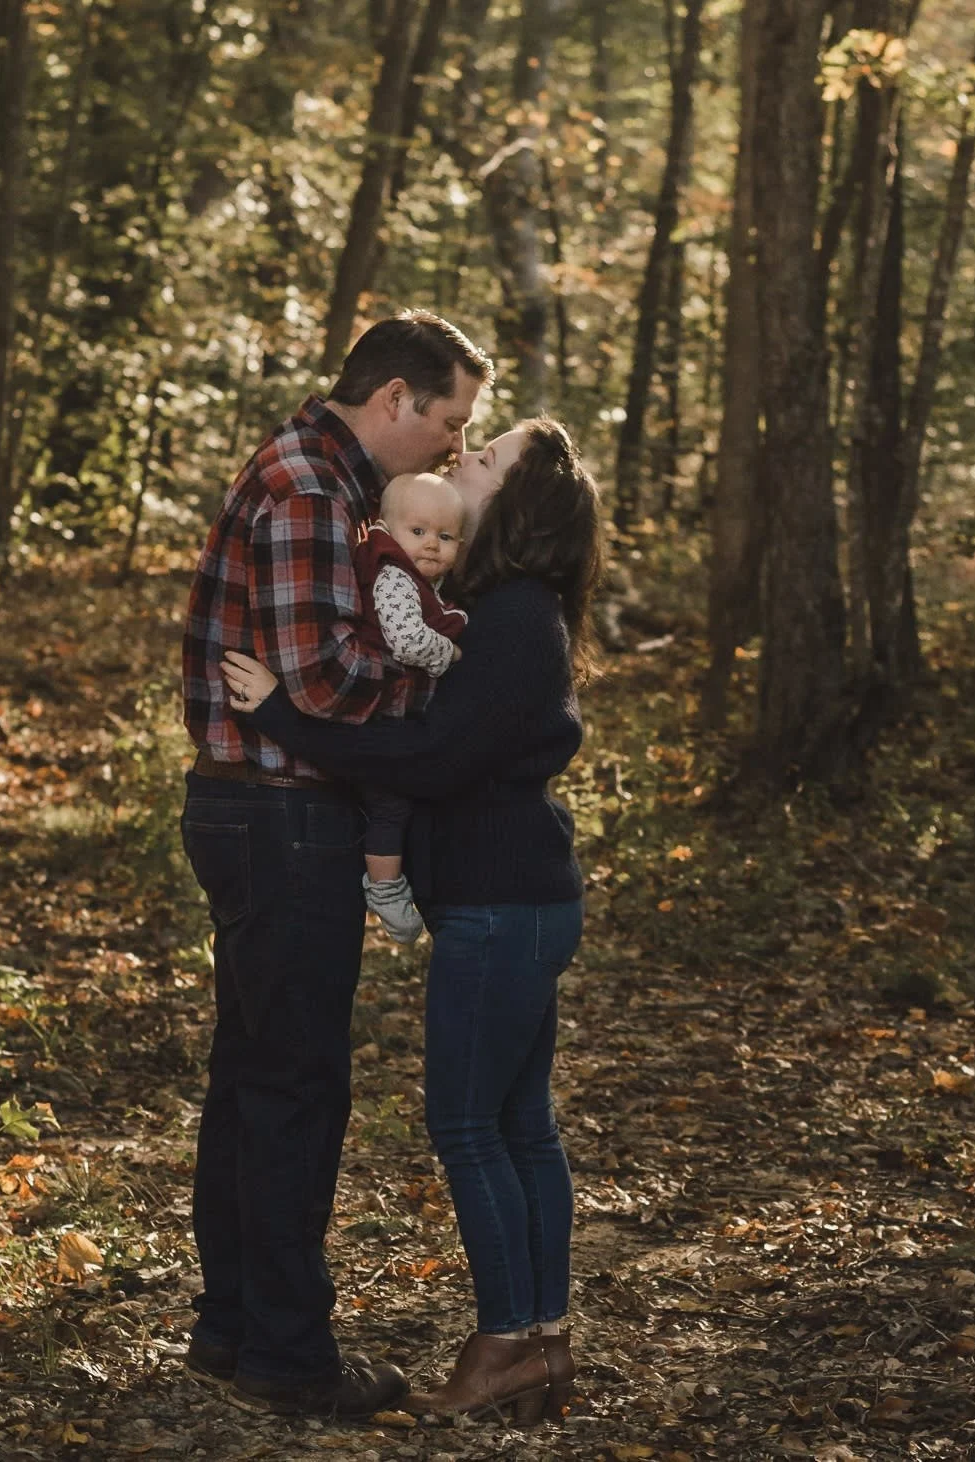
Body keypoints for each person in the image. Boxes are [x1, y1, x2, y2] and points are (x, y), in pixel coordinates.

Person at [221, 416, 603, 1425]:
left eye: (487, 458)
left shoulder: (513, 616)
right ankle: (543, 1339)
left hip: (502, 905)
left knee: (470, 1127)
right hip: (517, 898)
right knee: (520, 1125)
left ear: (517, 502)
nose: (463, 459)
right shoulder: (496, 605)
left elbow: (431, 760)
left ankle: (506, 1344)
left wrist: (281, 715)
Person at [179, 310, 494, 1418]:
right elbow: (320, 678)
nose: (457, 445)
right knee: (294, 1085)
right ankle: (288, 1357)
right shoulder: (313, 489)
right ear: (396, 399)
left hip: (260, 809)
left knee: (255, 1074)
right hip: (281, 814)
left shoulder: (328, 482)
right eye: (451, 420)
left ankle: (233, 1330)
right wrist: (445, 682)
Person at [353, 471, 468, 944]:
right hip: (378, 717)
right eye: (418, 531)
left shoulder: (420, 581)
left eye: (445, 536)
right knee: (390, 804)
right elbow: (407, 641)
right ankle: (384, 888)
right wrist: (452, 654)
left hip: (394, 717)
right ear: (386, 528)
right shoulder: (394, 577)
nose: (432, 544)